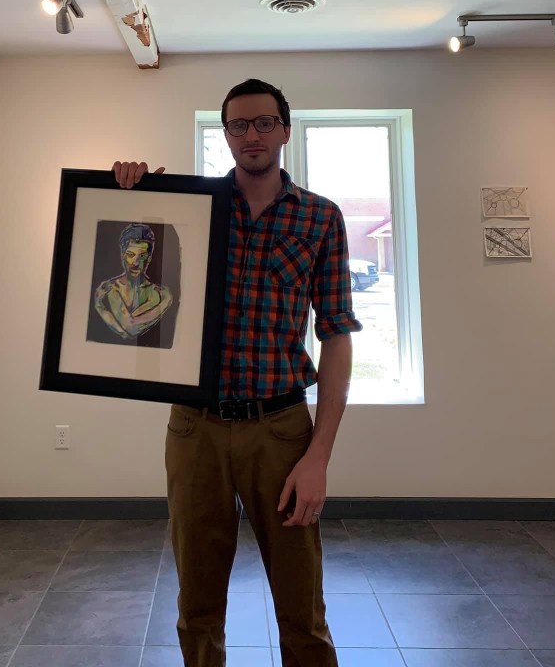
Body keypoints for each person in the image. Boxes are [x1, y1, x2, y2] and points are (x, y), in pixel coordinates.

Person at [112, 78, 362, 667]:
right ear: (224, 134)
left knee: (303, 608)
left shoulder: (320, 218)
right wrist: (125, 189)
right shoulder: (190, 210)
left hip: (280, 430)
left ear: (285, 130)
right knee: (196, 606)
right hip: (194, 429)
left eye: (264, 123)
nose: (252, 135)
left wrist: (319, 456)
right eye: (239, 125)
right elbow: (125, 254)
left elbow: (336, 336)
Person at [94, 223, 174, 339]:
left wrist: (99, 305)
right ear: (122, 255)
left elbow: (131, 328)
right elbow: (131, 327)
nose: (136, 263)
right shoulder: (107, 289)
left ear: (149, 258)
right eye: (130, 255)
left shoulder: (159, 294)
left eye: (142, 256)